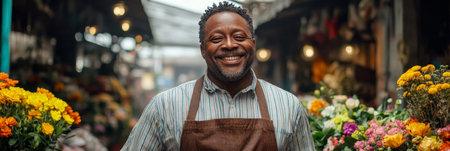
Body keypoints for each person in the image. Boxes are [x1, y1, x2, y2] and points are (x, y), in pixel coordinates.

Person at [121, 1, 314, 150]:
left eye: (239, 37)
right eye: (217, 38)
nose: (229, 44)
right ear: (203, 50)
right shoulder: (165, 107)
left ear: (253, 45)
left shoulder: (288, 106)